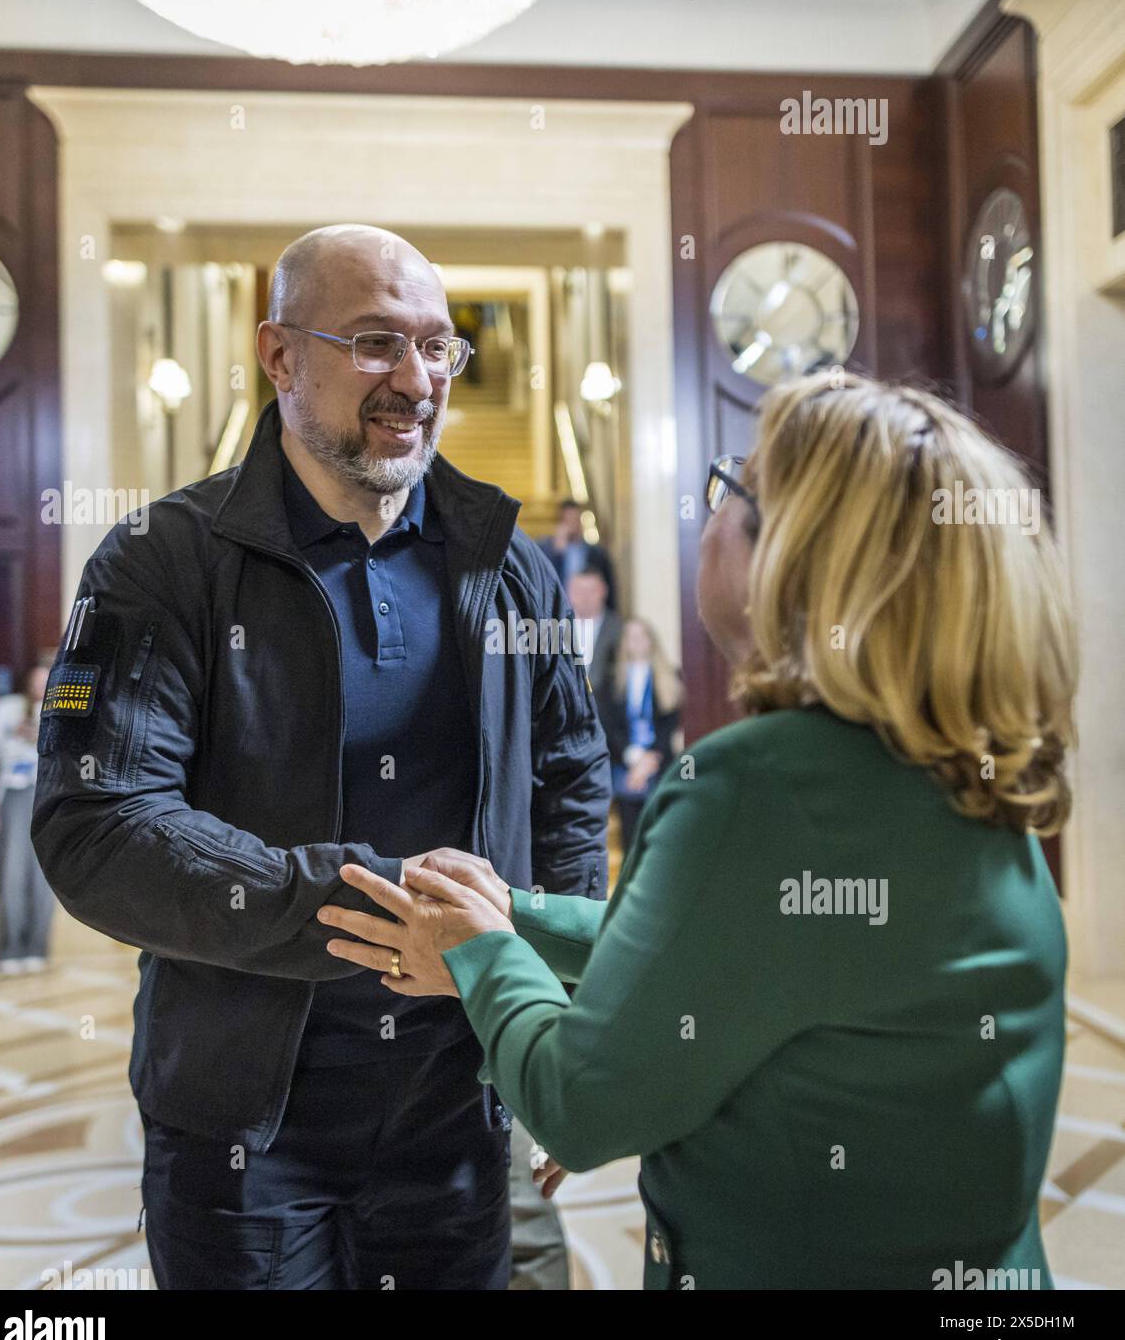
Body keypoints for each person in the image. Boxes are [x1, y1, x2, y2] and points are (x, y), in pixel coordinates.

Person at [321, 371, 1076, 1290]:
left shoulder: (756, 787)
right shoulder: (960, 758)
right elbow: (731, 953)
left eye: (733, 487)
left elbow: (582, 1102)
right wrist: (516, 914)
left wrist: (478, 956)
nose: (708, 512)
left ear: (793, 559)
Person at [32, 224, 610, 1291]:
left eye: (439, 347)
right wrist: (374, 907)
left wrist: (562, 1013)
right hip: (243, 1126)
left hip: (457, 1110)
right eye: (377, 342)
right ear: (279, 354)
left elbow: (569, 776)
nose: (417, 378)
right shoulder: (161, 560)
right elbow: (95, 823)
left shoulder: (507, 563)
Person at [0, 658, 55, 974]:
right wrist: (14, 736)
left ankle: (36, 948)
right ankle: (10, 949)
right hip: (15, 793)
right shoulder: (8, 708)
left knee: (43, 876)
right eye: (36, 680)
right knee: (12, 872)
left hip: (47, 795)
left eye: (46, 680)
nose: (39, 687)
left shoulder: (63, 709)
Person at [598, 617, 682, 852]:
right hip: (624, 760)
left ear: (651, 641)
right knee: (630, 827)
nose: (635, 642)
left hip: (658, 761)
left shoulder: (670, 678)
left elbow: (669, 725)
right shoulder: (612, 680)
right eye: (630, 636)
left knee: (657, 823)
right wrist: (633, 758)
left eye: (641, 636)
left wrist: (649, 761)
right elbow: (609, 725)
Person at [538, 499, 616, 608]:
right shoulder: (545, 550)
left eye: (575, 519)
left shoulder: (597, 553)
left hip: (588, 611)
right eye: (568, 520)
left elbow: (609, 589)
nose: (572, 525)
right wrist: (557, 553)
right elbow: (543, 581)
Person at [566, 567, 621, 698]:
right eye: (579, 591)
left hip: (605, 712)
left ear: (604, 591)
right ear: (568, 592)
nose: (585, 597)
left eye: (591, 591)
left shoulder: (618, 629)